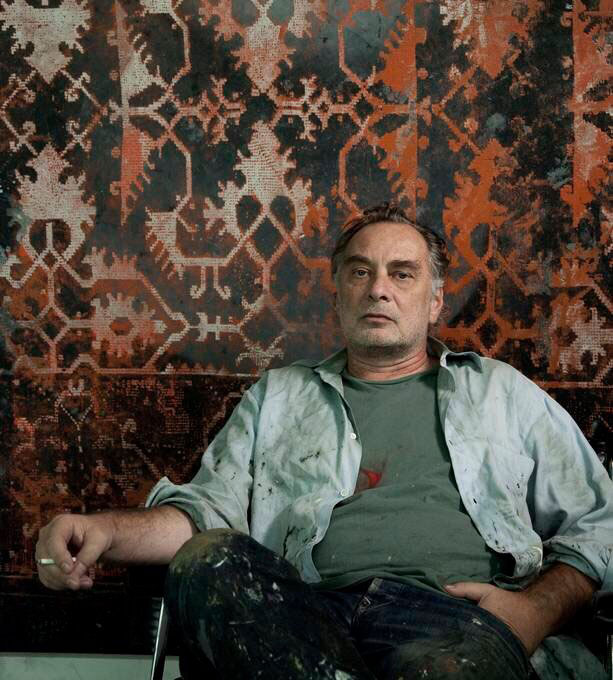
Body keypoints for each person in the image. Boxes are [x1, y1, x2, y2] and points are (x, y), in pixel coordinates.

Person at [37, 202, 612, 679]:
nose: (378, 289)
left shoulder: (502, 393)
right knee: (208, 560)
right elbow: (204, 516)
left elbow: (601, 525)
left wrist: (534, 612)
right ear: (337, 294)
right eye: (360, 272)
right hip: (301, 617)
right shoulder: (278, 396)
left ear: (435, 301)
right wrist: (104, 532)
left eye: (402, 274)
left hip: (454, 623)